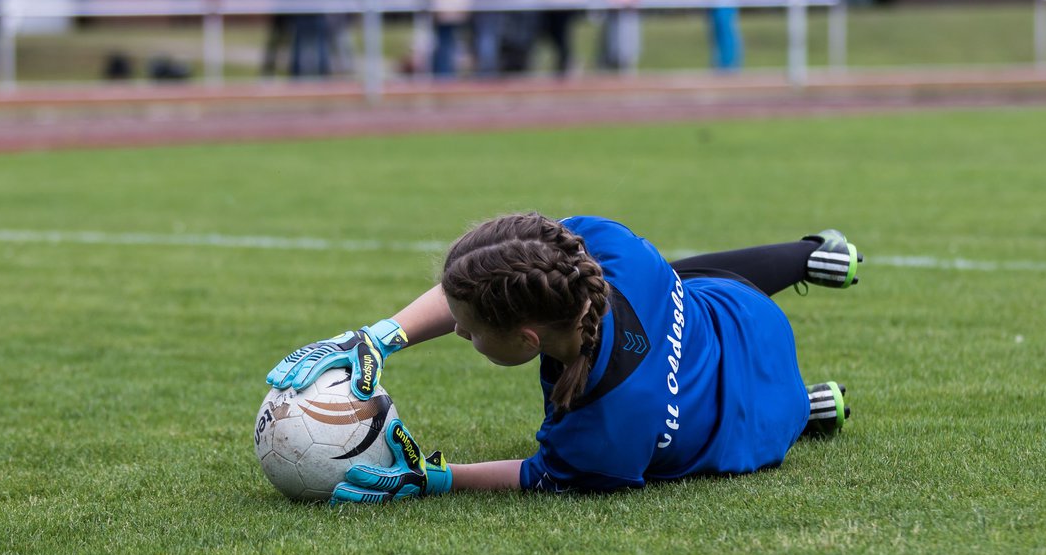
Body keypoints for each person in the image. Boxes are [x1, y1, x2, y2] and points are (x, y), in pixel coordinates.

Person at [266, 214, 862, 502]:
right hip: (744, 315)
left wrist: (435, 480)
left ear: (528, 340)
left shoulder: (603, 427)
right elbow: (491, 277)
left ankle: (803, 409)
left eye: (472, 334)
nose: (460, 336)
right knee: (664, 281)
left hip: (757, 420)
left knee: (732, 425)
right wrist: (377, 338)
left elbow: (538, 475)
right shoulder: (601, 247)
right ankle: (807, 259)